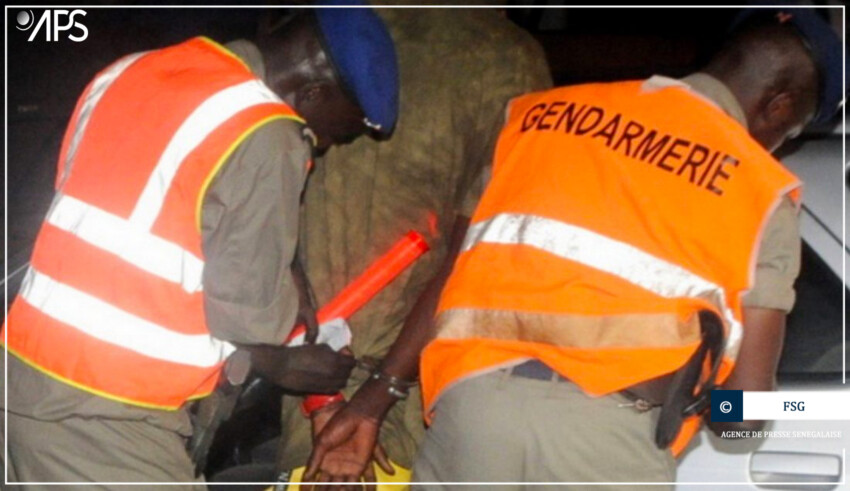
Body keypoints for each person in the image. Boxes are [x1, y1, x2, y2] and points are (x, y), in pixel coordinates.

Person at [414, 8, 844, 487]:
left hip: (470, 415)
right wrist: (740, 404)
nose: (780, 148)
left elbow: (451, 268)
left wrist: (383, 388)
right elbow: (741, 416)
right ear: (780, 107)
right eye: (791, 134)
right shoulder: (759, 190)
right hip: (604, 443)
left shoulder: (539, 116)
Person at [1, 4, 398, 487]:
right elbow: (251, 317)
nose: (324, 146)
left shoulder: (129, 71)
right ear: (313, 91)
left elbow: (142, 231)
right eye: (337, 133)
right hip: (109, 415)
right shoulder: (269, 133)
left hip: (23, 379)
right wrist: (295, 366)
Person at [271, 8, 552, 487]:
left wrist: (322, 399)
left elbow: (267, 230)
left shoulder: (320, 27)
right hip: (412, 394)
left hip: (307, 378)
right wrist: (377, 397)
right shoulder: (506, 57)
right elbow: (480, 252)